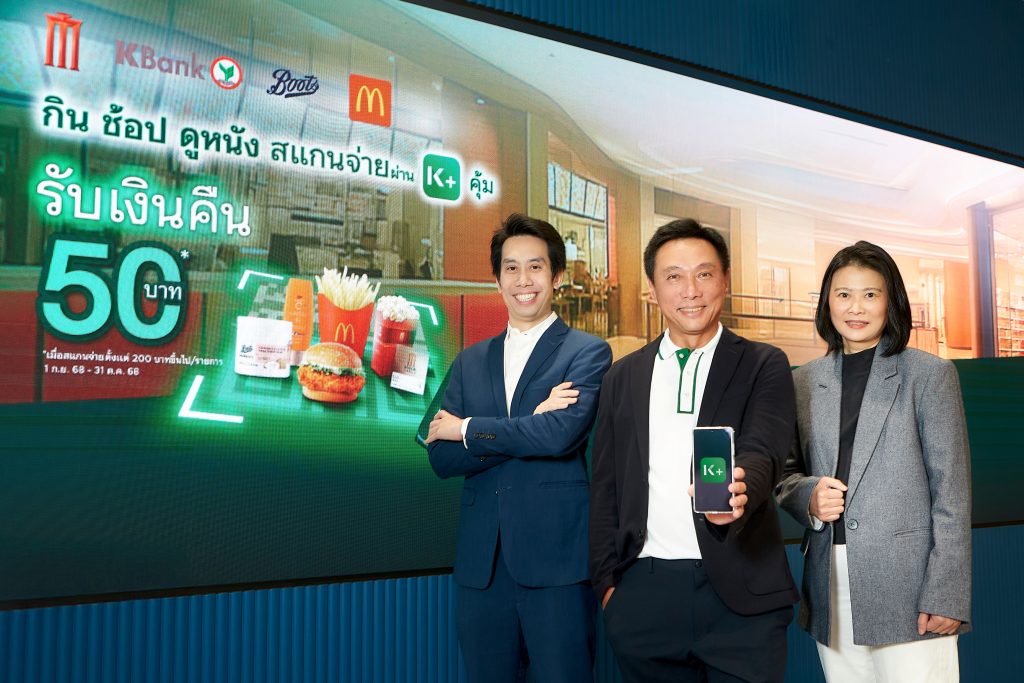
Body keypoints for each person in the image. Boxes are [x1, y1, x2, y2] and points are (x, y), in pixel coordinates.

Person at [589, 219, 799, 683]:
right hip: (644, 596)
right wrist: (609, 588)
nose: (690, 290)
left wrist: (740, 491)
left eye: (704, 274)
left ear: (725, 280)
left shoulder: (763, 363)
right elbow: (606, 487)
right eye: (673, 276)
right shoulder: (623, 376)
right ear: (652, 289)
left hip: (743, 598)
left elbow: (763, 451)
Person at [425, 213, 612, 682]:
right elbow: (441, 456)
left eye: (535, 267)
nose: (523, 280)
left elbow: (558, 436)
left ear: (557, 276)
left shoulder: (587, 352)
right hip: (481, 568)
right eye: (511, 268)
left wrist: (468, 428)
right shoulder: (469, 361)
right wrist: (529, 423)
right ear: (497, 279)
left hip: (556, 563)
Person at [776, 241, 971, 683]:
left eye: (870, 294)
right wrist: (809, 497)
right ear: (827, 302)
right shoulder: (804, 381)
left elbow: (952, 495)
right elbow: (785, 476)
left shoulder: (929, 374)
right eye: (843, 294)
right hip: (830, 582)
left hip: (911, 584)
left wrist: (947, 593)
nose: (856, 307)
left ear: (891, 301)